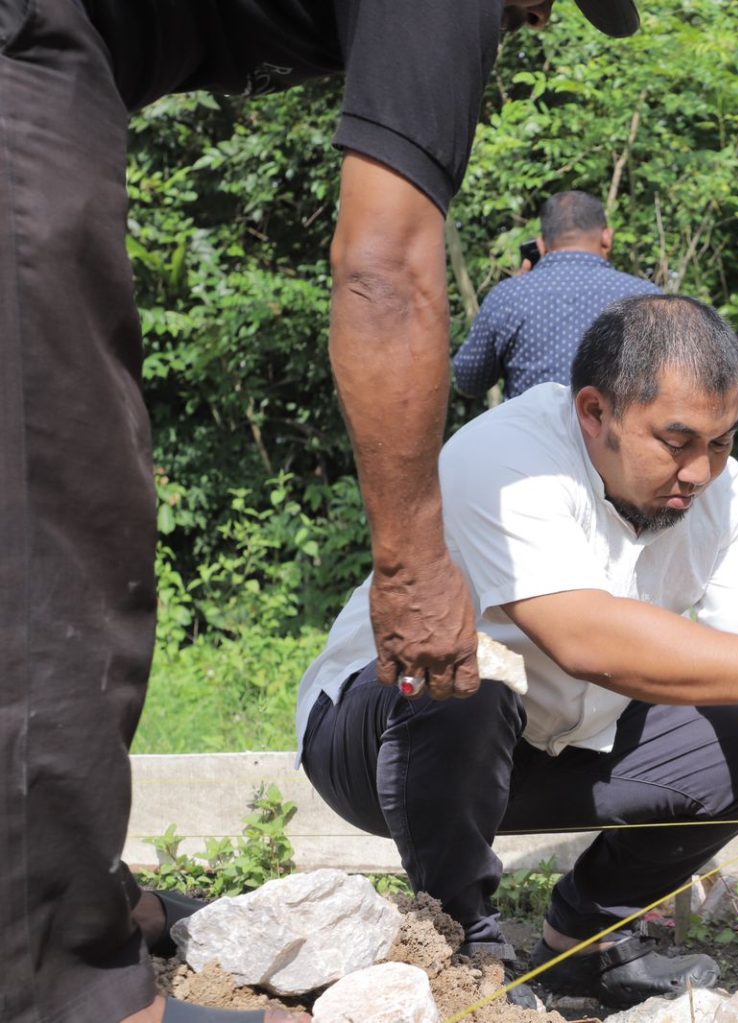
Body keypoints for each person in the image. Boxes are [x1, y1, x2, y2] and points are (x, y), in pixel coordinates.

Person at [0, 2, 646, 1021]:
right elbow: (386, 275)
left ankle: (52, 904)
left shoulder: (526, 302)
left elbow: (461, 357)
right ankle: (56, 986)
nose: (537, 16)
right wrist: (414, 562)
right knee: (55, 502)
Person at [298, 294, 738, 1006]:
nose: (701, 471)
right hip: (382, 737)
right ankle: (466, 952)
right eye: (677, 442)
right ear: (595, 412)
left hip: (548, 745)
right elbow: (581, 635)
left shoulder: (726, 499)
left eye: (722, 442)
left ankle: (581, 946)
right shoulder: (506, 459)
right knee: (475, 667)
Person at [453, 190, 662, 400]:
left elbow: (468, 381)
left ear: (541, 244)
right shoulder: (649, 300)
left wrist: (518, 286)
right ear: (606, 237)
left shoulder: (508, 296)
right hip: (617, 432)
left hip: (532, 432)